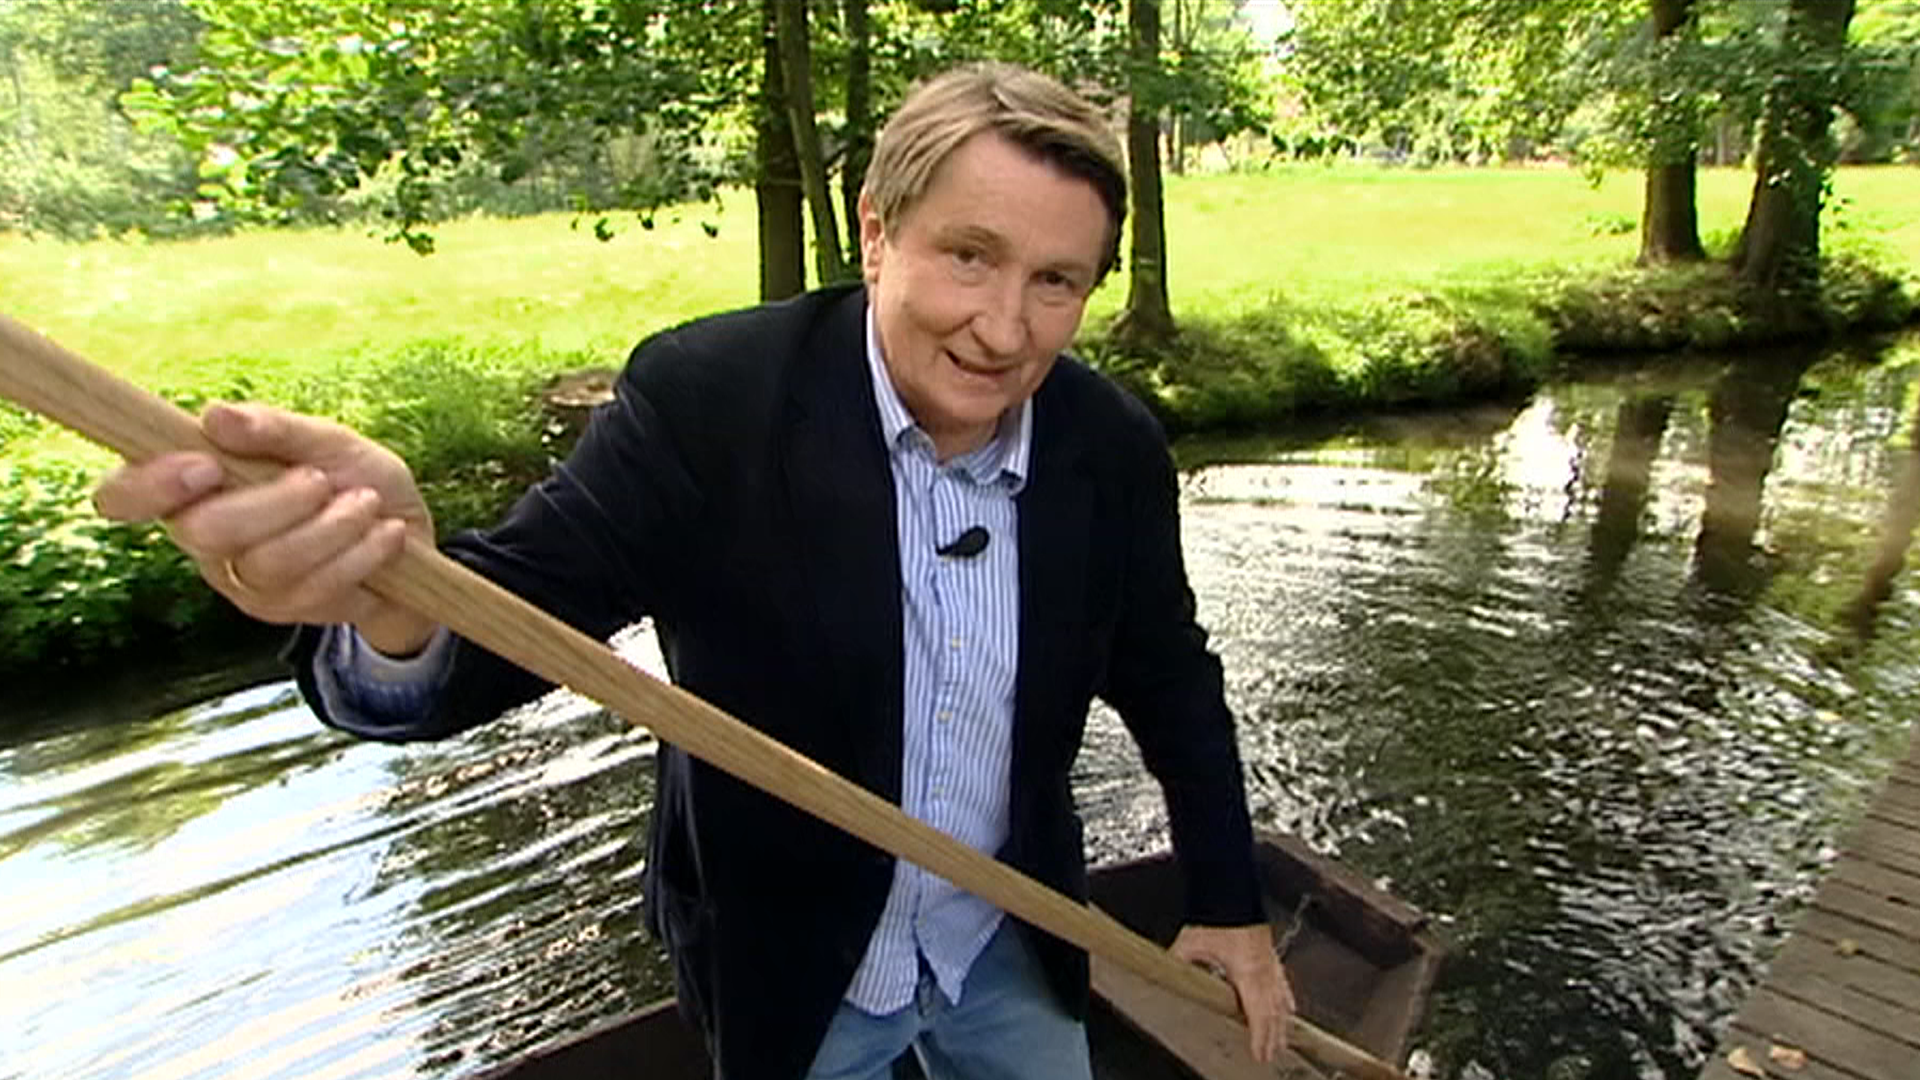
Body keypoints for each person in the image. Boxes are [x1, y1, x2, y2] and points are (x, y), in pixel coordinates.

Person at [93, 62, 1293, 1080]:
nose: (1006, 328)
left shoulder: (1108, 446)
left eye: (1056, 281)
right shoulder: (709, 402)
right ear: (877, 232)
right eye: (969, 256)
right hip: (792, 961)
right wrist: (389, 599)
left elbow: (1172, 681)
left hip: (1010, 936)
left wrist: (1230, 903)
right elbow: (511, 625)